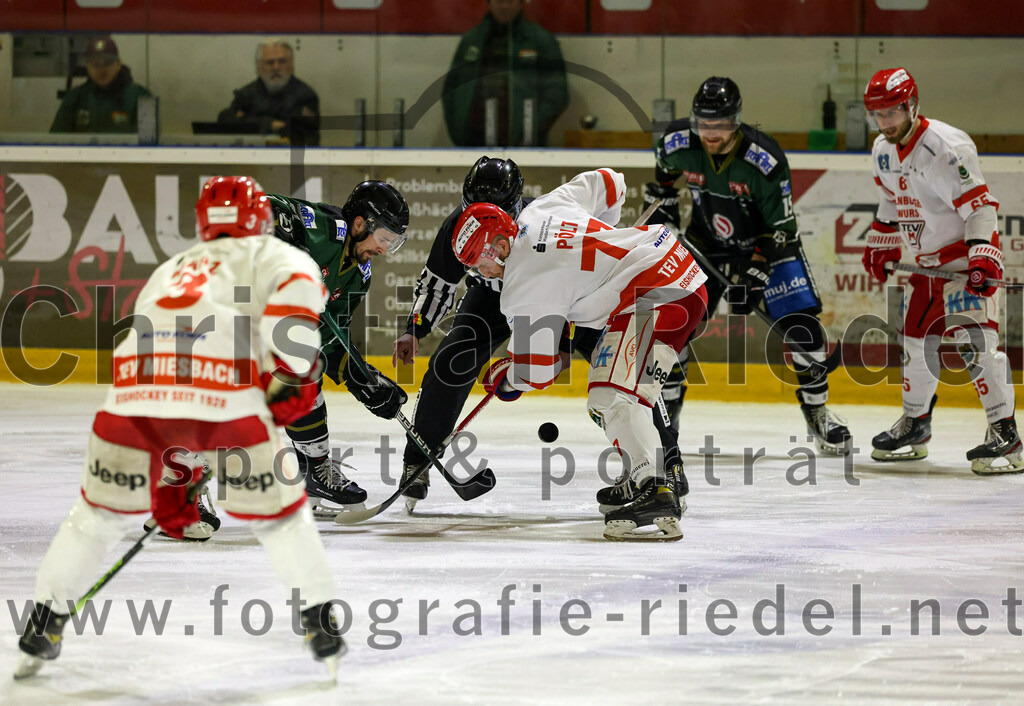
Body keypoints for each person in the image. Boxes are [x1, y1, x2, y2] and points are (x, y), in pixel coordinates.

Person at [14, 176, 344, 680]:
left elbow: (161, 370)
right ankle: (321, 623)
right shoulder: (280, 256)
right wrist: (290, 386)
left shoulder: (170, 269)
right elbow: (294, 334)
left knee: (96, 518)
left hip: (131, 404)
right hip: (227, 402)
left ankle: (45, 620)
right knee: (281, 520)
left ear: (202, 224)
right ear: (261, 220)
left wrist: (178, 472)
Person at [392, 157, 687, 513]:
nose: (480, 214)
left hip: (564, 292)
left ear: (515, 205)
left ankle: (666, 465)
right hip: (496, 298)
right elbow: (438, 281)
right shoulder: (464, 229)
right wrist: (415, 328)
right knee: (452, 359)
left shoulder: (540, 219)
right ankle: (418, 458)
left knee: (626, 371)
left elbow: (538, 365)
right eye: (473, 208)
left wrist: (598, 232)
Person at [451, 169, 710, 542]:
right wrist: (601, 234)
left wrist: (506, 378)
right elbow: (610, 182)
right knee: (612, 395)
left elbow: (539, 371)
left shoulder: (522, 283)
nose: (480, 272)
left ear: (498, 245)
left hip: (658, 294)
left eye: (479, 262)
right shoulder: (542, 209)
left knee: (614, 397)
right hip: (666, 270)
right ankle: (643, 476)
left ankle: (657, 490)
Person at [645, 76, 852, 456]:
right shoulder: (677, 143)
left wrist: (756, 274)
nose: (711, 132)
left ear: (737, 121)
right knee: (672, 322)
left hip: (766, 245)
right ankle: (667, 416)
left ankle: (819, 414)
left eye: (720, 124)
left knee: (802, 328)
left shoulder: (764, 160)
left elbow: (781, 230)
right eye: (704, 123)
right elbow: (661, 182)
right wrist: (666, 210)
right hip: (706, 245)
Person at [861, 67, 1022, 475]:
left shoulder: (946, 147)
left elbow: (980, 206)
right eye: (878, 115)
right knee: (915, 342)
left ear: (912, 105)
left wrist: (982, 256)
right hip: (924, 265)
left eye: (892, 113)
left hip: (962, 263)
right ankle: (916, 424)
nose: (885, 123)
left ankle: (1006, 434)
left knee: (974, 346)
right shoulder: (882, 149)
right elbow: (890, 203)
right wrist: (881, 241)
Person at [269, 182, 411, 516]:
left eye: (394, 243)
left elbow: (328, 336)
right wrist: (283, 244)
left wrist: (363, 379)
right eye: (385, 238)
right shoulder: (325, 228)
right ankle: (183, 487)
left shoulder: (359, 275)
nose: (385, 250)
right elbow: (263, 205)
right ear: (361, 224)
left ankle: (314, 471)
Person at [442, 0, 569, 147]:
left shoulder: (539, 41)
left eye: (510, 1)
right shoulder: (472, 40)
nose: (505, 6)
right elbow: (450, 90)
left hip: (524, 147)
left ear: (521, 2)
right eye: (500, 0)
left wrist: (531, 130)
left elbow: (557, 93)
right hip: (472, 144)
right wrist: (458, 132)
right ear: (489, 2)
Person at [217, 40, 320, 145]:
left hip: (291, 157)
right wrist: (271, 124)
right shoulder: (246, 94)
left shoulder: (306, 96)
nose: (276, 67)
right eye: (270, 62)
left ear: (291, 65)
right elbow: (225, 120)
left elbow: (298, 133)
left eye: (282, 61)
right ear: (258, 67)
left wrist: (245, 120)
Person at [50, 36, 152, 134]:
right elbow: (57, 140)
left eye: (108, 63)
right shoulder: (75, 97)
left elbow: (149, 143)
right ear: (87, 67)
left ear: (118, 64)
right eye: (95, 64)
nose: (102, 69)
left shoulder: (140, 97)